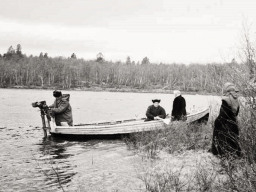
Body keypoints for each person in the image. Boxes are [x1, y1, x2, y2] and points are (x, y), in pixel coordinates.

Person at [211, 82, 241, 157]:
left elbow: (223, 116)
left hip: (226, 126)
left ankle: (218, 153)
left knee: (223, 140)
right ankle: (235, 156)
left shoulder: (226, 100)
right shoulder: (236, 100)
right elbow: (236, 113)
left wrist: (216, 122)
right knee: (233, 143)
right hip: (234, 124)